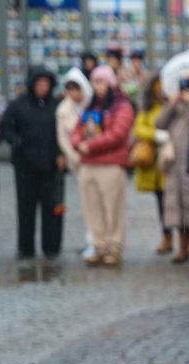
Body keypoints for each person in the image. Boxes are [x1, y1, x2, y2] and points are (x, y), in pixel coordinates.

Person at [72, 65, 135, 266]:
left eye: (102, 82)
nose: (98, 86)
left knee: (113, 209)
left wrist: (90, 145)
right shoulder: (90, 106)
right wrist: (77, 144)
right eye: (96, 82)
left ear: (111, 83)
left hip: (111, 164)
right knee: (92, 209)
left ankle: (114, 247)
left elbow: (118, 134)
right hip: (88, 164)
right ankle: (98, 245)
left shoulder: (121, 106)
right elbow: (77, 129)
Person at [2, 66, 62, 260]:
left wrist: (61, 154)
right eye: (39, 83)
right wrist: (17, 142)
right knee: (26, 208)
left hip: (51, 166)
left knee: (51, 208)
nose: (43, 87)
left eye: (46, 83)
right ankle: (26, 248)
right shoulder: (18, 105)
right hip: (25, 166)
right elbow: (6, 127)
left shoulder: (57, 105)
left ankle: (51, 248)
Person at [156, 77, 189, 263]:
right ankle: (182, 247)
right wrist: (171, 104)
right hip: (175, 165)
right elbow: (159, 123)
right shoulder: (175, 107)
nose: (184, 92)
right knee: (178, 208)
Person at [57, 67, 93, 259]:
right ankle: (92, 240)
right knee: (88, 204)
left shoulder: (94, 105)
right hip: (79, 163)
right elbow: (63, 139)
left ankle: (104, 240)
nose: (73, 93)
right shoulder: (63, 111)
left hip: (98, 158)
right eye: (70, 89)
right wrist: (75, 156)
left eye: (76, 88)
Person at [133, 74, 168, 255]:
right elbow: (139, 128)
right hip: (153, 163)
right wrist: (155, 135)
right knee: (161, 201)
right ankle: (167, 236)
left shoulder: (172, 106)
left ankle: (185, 238)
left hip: (171, 161)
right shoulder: (147, 108)